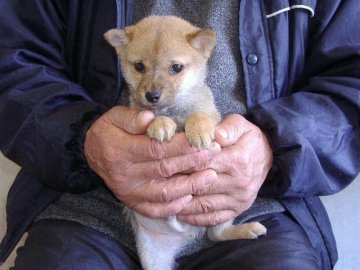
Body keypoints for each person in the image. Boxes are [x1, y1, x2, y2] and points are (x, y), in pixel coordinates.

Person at [0, 1, 359, 269]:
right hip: (87, 198)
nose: (154, 87)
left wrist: (275, 147)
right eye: (139, 67)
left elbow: (351, 80)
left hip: (255, 198)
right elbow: (12, 62)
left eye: (174, 69)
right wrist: (81, 136)